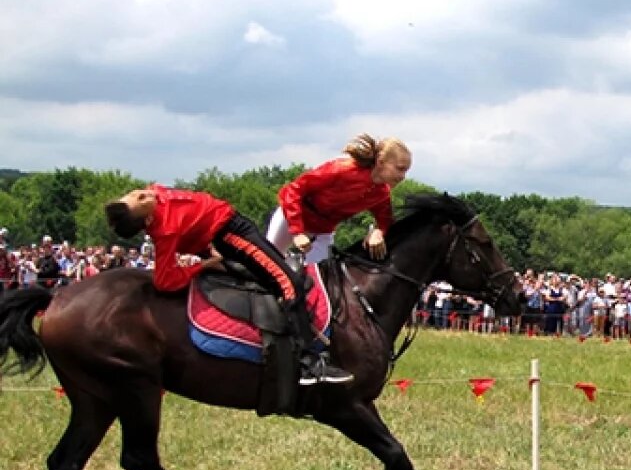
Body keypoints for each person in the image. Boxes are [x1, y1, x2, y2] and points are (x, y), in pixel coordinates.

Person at [104, 184, 352, 385]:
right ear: (147, 219)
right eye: (139, 199)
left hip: (232, 224)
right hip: (231, 234)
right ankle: (309, 364)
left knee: (277, 280)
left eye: (134, 195)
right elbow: (164, 280)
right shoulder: (163, 229)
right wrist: (205, 264)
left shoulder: (152, 194)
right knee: (289, 284)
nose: (142, 193)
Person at [266, 133, 411, 265]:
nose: (403, 177)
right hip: (290, 220)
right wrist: (297, 232)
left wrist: (378, 232)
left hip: (322, 232)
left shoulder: (382, 193)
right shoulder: (342, 169)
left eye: (406, 171)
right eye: (400, 169)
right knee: (266, 262)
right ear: (380, 162)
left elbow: (386, 221)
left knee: (319, 280)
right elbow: (293, 191)